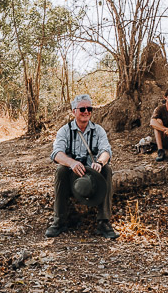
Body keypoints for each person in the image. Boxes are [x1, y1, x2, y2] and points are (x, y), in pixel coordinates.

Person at [46, 94, 118, 239]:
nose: (86, 112)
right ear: (74, 111)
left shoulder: (98, 130)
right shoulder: (64, 130)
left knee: (107, 169)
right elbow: (56, 153)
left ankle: (104, 222)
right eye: (82, 109)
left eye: (89, 109)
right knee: (60, 171)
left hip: (92, 175)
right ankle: (59, 221)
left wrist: (100, 162)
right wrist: (71, 163)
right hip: (73, 174)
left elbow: (106, 151)